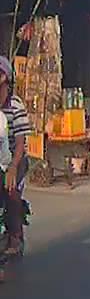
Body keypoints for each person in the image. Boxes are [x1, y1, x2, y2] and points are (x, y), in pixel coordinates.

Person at [0, 56, 30, 271]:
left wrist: (12, 168)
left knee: (10, 189)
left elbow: (20, 143)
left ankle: (16, 236)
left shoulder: (15, 106)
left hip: (15, 159)